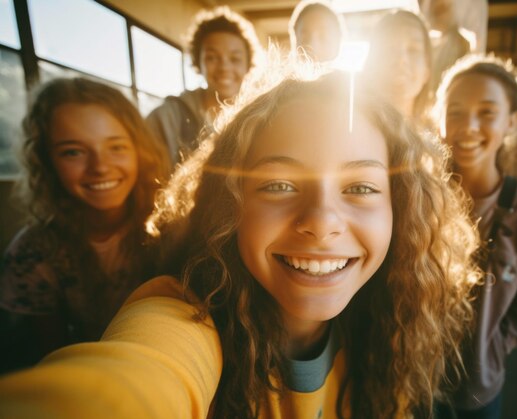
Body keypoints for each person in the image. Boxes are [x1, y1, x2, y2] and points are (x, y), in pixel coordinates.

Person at [0, 68, 480, 418]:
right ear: (230, 207)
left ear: (400, 210)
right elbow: (132, 379)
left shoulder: (390, 321)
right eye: (278, 184)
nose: (321, 222)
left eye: (360, 188)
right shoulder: (184, 318)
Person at [0, 77, 171, 373]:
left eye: (116, 147)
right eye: (73, 152)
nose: (100, 167)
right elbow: (46, 360)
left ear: (139, 150)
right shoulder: (34, 251)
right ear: (45, 160)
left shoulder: (175, 227)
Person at [433, 54, 517, 419]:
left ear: (511, 121)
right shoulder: (418, 199)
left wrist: (494, 339)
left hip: (475, 391)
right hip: (404, 380)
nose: (468, 126)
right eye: (456, 111)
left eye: (487, 112)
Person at [146, 6, 261, 164]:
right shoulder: (168, 118)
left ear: (248, 64)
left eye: (235, 59)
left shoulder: (260, 116)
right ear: (198, 62)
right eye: (212, 58)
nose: (224, 67)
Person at [362, 10, 434, 127]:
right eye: (389, 49)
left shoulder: (440, 136)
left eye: (413, 50)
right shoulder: (353, 128)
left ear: (427, 70)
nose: (402, 59)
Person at [419, 0, 471, 88]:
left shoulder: (462, 42)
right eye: (438, 11)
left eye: (445, 9)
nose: (442, 15)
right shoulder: (423, 41)